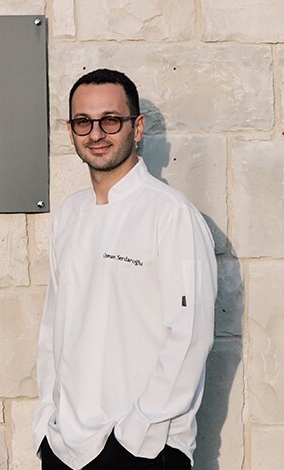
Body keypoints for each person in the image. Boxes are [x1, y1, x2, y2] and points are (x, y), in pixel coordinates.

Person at [32, 69, 217, 469]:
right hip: (66, 447)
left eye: (110, 120)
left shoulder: (171, 215)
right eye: (83, 122)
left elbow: (190, 335)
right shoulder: (69, 214)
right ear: (71, 130)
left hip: (141, 449)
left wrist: (136, 432)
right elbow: (54, 330)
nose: (96, 133)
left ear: (137, 127)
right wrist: (47, 423)